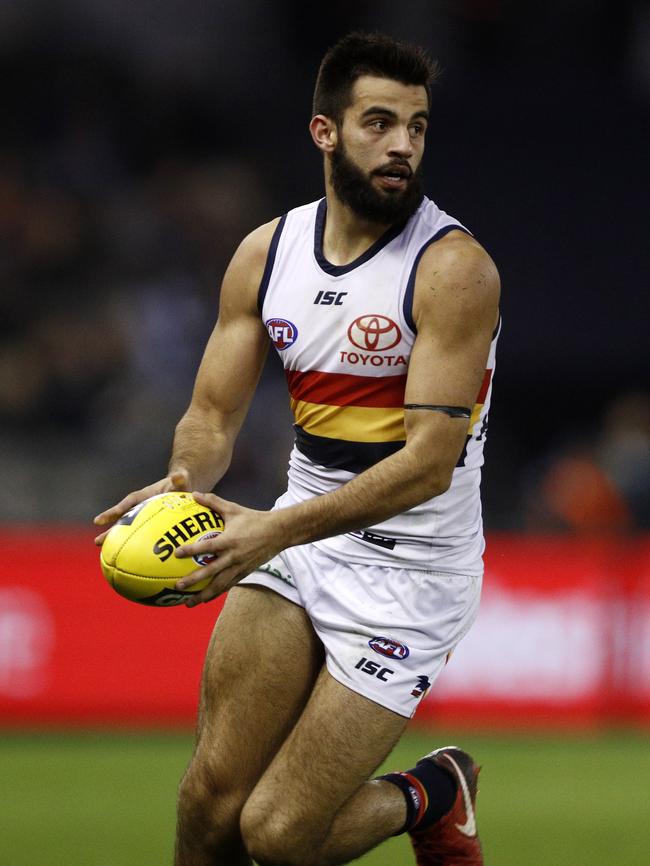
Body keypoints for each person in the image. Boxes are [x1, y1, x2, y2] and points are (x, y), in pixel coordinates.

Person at [94, 31, 500, 866]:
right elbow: (211, 417)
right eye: (379, 123)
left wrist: (270, 530)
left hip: (413, 572)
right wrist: (178, 485)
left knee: (276, 836)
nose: (402, 147)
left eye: (416, 128)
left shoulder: (452, 270)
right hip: (303, 539)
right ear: (325, 133)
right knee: (210, 804)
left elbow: (428, 462)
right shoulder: (265, 254)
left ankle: (428, 795)